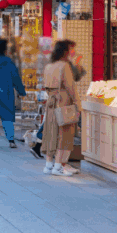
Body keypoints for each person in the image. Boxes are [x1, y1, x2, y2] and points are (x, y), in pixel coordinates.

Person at [41, 40, 80, 177]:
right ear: (65, 51)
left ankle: (48, 165)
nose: (72, 53)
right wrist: (78, 105)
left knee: (50, 133)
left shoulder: (49, 66)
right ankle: (58, 166)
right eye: (70, 50)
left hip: (51, 102)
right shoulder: (64, 66)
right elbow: (71, 88)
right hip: (63, 103)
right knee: (64, 134)